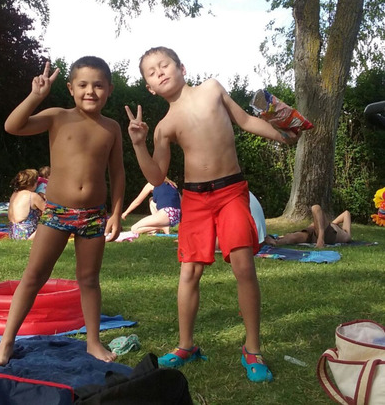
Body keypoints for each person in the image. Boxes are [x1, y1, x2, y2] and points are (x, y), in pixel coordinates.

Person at [125, 46, 299, 382]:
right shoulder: (163, 126)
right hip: (194, 199)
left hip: (231, 191)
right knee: (189, 272)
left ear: (182, 68)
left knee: (243, 265)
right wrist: (138, 144)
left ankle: (252, 349)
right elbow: (157, 177)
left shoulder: (212, 89)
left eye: (164, 65)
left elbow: (246, 120)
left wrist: (282, 136)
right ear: (150, 88)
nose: (160, 72)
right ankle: (186, 346)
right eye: (152, 72)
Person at [0, 56, 125, 368]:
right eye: (83, 85)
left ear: (109, 89)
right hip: (56, 213)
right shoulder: (57, 116)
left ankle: (93, 342)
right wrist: (36, 96)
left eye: (98, 85)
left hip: (94, 215)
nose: (90, 91)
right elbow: (13, 126)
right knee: (34, 276)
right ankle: (6, 342)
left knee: (89, 279)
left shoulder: (112, 128)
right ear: (70, 88)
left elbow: (117, 173)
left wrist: (116, 213)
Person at [264, 205, 352, 248]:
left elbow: (346, 213)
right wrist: (334, 223)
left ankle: (320, 240)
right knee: (294, 237)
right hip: (314, 232)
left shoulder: (345, 234)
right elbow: (345, 214)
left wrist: (333, 224)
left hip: (325, 235)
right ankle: (275, 242)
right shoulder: (334, 226)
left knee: (316, 207)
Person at [8, 168, 46, 240]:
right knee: (51, 219)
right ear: (32, 183)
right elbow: (49, 210)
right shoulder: (32, 196)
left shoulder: (15, 194)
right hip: (26, 234)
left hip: (13, 233)